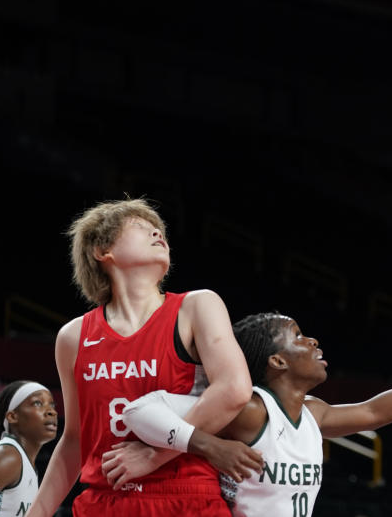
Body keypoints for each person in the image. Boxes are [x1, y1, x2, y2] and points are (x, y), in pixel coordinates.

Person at [110, 312, 392, 517]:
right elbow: (139, 409)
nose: (312, 340)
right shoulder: (249, 410)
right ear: (277, 360)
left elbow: (374, 411)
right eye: (298, 335)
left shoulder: (312, 415)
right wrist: (209, 445)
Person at [26, 199, 253, 517]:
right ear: (102, 251)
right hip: (105, 501)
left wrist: (153, 454)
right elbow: (76, 439)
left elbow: (235, 389)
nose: (158, 232)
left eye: (159, 229)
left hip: (185, 497)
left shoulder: (196, 307)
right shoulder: (73, 337)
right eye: (140, 226)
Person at [0, 382, 57, 516]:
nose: (51, 411)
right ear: (13, 416)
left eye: (52, 405)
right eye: (37, 403)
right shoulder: (7, 456)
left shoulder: (25, 463)